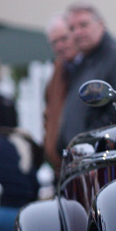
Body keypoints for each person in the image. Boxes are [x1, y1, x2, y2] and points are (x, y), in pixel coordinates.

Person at [56, 2, 116, 154]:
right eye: (72, 28)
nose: (77, 32)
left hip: (98, 158)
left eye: (83, 25)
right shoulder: (84, 60)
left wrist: (88, 142)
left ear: (100, 25)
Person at [42, 13, 76, 170]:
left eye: (64, 39)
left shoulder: (85, 68)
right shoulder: (58, 70)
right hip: (61, 163)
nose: (60, 46)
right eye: (54, 42)